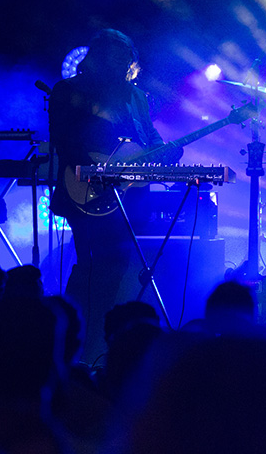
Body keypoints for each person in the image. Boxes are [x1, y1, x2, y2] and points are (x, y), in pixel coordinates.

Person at [48, 28, 181, 364]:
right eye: (115, 60)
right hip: (87, 190)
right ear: (98, 60)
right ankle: (72, 344)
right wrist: (102, 165)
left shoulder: (135, 97)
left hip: (130, 195)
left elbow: (148, 136)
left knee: (118, 265)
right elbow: (64, 140)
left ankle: (97, 347)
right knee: (91, 265)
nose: (122, 68)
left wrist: (166, 151)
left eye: (127, 61)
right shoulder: (68, 90)